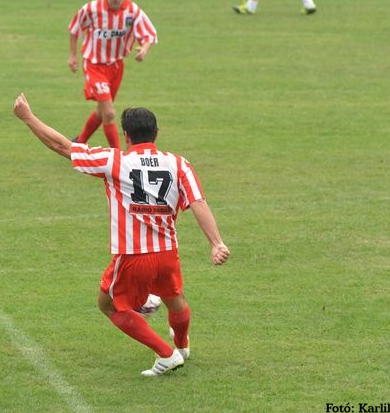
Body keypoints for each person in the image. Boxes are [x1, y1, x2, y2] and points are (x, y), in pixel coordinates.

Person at [12, 94, 230, 376]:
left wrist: (28, 117)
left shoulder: (115, 161)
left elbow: (62, 146)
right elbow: (197, 202)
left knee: (109, 305)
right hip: (167, 252)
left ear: (126, 136)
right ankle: (182, 344)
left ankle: (167, 354)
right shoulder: (179, 164)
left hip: (133, 255)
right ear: (156, 134)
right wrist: (216, 243)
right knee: (175, 298)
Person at [68, 0, 157, 150]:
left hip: (116, 66)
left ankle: (79, 143)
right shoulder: (91, 9)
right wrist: (73, 56)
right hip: (94, 65)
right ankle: (118, 155)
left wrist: (144, 49)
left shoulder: (132, 11)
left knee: (101, 111)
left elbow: (149, 33)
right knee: (109, 113)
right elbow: (74, 29)